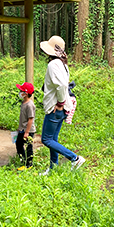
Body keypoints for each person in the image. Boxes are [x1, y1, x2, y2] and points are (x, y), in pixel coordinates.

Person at [39, 35, 85, 175]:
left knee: (46, 139)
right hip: (62, 106)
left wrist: (59, 103)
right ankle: (53, 168)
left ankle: (74, 158)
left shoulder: (53, 64)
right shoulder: (62, 64)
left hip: (56, 107)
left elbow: (61, 85)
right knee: (53, 139)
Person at [15, 82, 36, 171]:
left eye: (21, 91)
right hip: (22, 128)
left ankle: (29, 164)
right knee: (19, 144)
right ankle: (23, 159)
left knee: (28, 146)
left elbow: (30, 119)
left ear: (26, 93)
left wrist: (27, 132)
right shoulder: (24, 102)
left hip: (28, 130)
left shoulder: (30, 105)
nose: (20, 92)